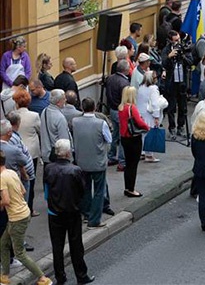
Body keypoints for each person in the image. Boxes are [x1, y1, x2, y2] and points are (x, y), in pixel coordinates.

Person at [44, 138, 95, 284]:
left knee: (57, 247)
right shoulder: (75, 170)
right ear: (68, 153)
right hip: (72, 212)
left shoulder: (49, 168)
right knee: (76, 245)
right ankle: (81, 275)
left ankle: (60, 277)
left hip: (54, 213)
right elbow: (82, 190)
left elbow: (47, 190)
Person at [0, 150, 52, 285]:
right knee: (3, 244)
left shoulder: (1, 178)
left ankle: (43, 278)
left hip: (17, 218)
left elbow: (5, 201)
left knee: (19, 253)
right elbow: (23, 190)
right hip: (22, 213)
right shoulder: (11, 172)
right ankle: (5, 276)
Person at [72, 98, 111, 229]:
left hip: (82, 162)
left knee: (86, 189)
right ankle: (94, 220)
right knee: (99, 191)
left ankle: (87, 214)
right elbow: (109, 139)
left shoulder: (75, 121)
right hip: (98, 162)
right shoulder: (100, 123)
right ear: (94, 107)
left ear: (82, 108)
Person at [11, 90, 40, 215]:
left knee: (16, 179)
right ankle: (30, 208)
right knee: (30, 180)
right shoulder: (34, 115)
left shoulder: (11, 115)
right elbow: (40, 130)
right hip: (31, 152)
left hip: (16, 149)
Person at [161, 30, 193, 138]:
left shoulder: (184, 48)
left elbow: (190, 62)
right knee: (171, 107)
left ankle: (181, 127)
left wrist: (183, 57)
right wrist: (169, 56)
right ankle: (172, 128)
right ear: (170, 41)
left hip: (182, 81)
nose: (177, 42)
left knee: (183, 106)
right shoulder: (166, 50)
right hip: (171, 82)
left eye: (178, 39)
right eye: (175, 40)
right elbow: (163, 64)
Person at [118, 86, 149, 198]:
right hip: (133, 138)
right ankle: (131, 189)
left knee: (128, 163)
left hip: (124, 137)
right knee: (133, 165)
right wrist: (147, 127)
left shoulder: (121, 107)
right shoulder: (132, 108)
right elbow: (139, 122)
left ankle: (127, 187)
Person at [136, 71, 165, 163]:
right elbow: (155, 104)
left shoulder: (140, 87)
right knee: (150, 134)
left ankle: (143, 152)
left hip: (141, 113)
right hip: (149, 114)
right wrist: (156, 116)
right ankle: (149, 155)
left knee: (143, 134)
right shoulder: (153, 89)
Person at [39, 89, 72, 164]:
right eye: (64, 98)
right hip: (57, 156)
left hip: (46, 153)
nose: (66, 100)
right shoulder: (60, 117)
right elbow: (64, 140)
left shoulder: (45, 111)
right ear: (58, 102)